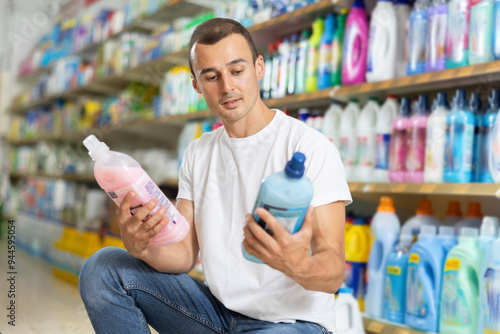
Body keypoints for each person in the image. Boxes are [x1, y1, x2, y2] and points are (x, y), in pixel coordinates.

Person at [79, 18, 352, 334]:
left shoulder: (310, 147)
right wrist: (141, 246)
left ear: (259, 67)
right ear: (196, 84)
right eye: (211, 77)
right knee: (103, 268)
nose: (227, 87)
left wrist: (298, 264)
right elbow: (183, 254)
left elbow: (334, 272)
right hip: (218, 315)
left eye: (237, 71)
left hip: (290, 323)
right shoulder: (199, 152)